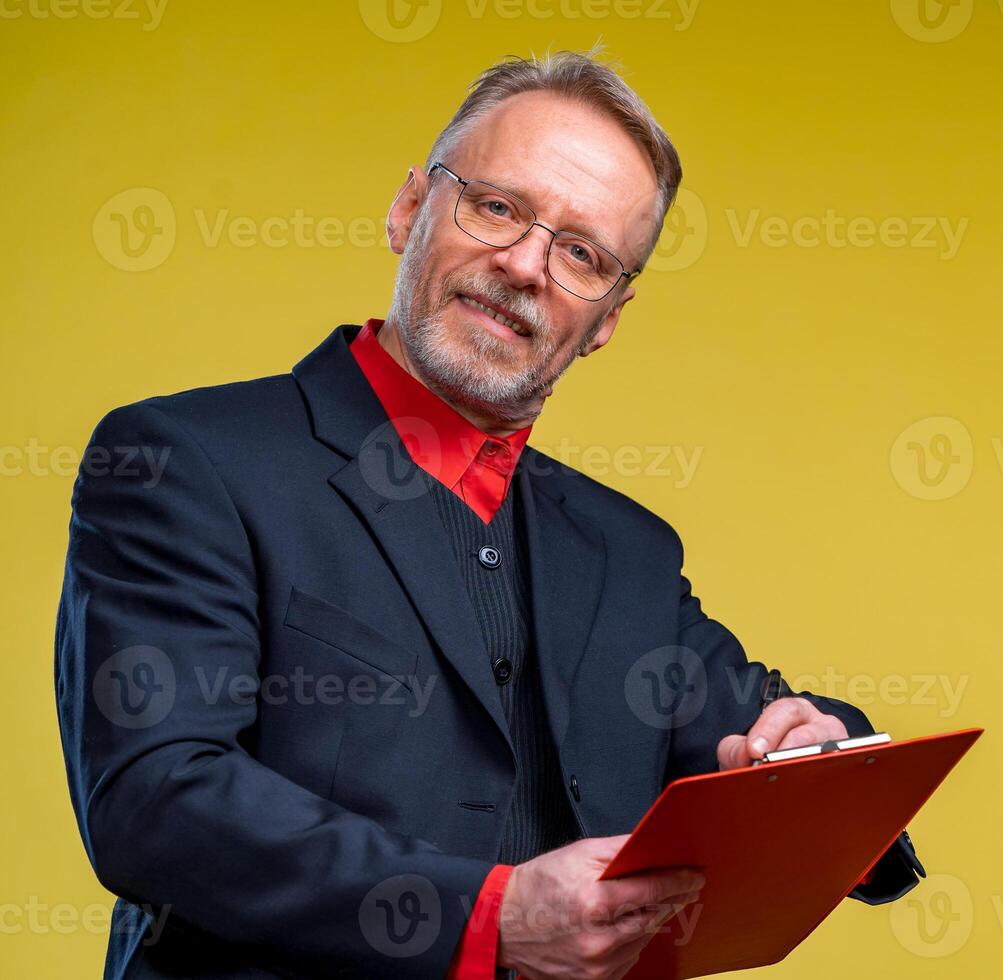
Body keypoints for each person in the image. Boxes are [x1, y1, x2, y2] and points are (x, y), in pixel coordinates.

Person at [55, 48, 924, 980]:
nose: (524, 265)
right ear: (408, 210)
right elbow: (156, 799)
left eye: (582, 253)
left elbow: (767, 727)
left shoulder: (625, 549)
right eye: (498, 206)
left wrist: (823, 754)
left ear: (607, 322)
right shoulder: (187, 461)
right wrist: (489, 919)